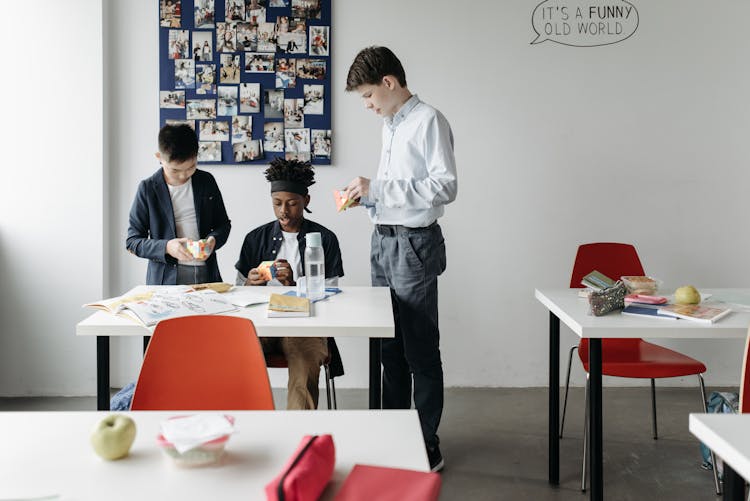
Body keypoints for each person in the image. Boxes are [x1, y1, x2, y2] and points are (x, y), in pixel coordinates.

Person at [342, 46, 457, 473]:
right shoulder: (390, 125)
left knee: (419, 348)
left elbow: (444, 188)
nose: (368, 106)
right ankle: (393, 432)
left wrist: (379, 190)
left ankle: (426, 440)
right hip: (384, 240)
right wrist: (368, 201)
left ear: (389, 83)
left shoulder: (429, 121)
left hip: (414, 245)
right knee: (388, 345)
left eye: (369, 96)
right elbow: (395, 191)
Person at [235, 158, 344, 410]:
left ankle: (298, 434)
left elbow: (332, 293)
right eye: (277, 203)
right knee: (237, 359)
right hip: (261, 322)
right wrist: (251, 284)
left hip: (304, 325)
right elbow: (237, 294)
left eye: (292, 203)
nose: (284, 210)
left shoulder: (325, 239)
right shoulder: (255, 238)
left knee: (304, 368)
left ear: (306, 201)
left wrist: (295, 284)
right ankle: (247, 428)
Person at [126, 124, 231, 286]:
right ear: (159, 157)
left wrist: (213, 240)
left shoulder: (206, 181)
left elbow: (223, 224)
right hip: (164, 279)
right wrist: (167, 247)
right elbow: (133, 242)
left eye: (191, 167)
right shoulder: (147, 189)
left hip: (207, 275)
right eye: (175, 170)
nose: (183, 175)